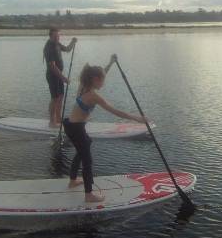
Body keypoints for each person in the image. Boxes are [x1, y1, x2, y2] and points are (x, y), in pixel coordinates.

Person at [63, 54, 148, 203]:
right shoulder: (93, 96)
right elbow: (115, 111)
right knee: (87, 160)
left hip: (71, 125)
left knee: (83, 150)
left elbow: (101, 73)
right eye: (103, 80)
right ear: (96, 80)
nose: (104, 82)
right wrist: (137, 118)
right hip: (76, 129)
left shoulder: (84, 85)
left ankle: (72, 181)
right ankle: (89, 195)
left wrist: (110, 63)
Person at [43, 28, 77, 127]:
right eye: (55, 36)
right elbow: (52, 67)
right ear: (50, 36)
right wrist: (63, 78)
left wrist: (73, 42)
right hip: (52, 76)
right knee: (55, 98)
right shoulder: (49, 47)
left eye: (58, 36)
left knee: (61, 96)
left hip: (58, 76)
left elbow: (67, 49)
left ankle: (58, 118)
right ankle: (52, 122)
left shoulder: (57, 44)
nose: (57, 38)